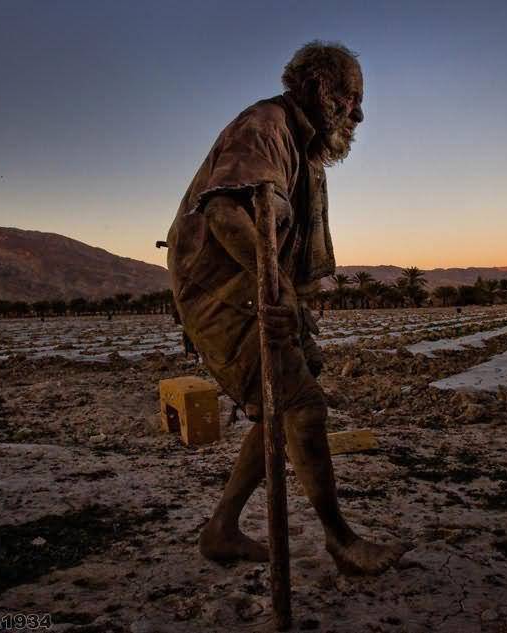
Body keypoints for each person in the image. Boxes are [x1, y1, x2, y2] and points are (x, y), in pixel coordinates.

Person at [166, 41, 408, 575]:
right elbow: (227, 213)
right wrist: (272, 286)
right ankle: (339, 539)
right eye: (352, 97)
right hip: (221, 295)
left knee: (284, 403)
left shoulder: (304, 149)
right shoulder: (266, 127)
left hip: (255, 288)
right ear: (323, 89)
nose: (359, 113)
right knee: (302, 405)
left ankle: (222, 529)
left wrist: (283, 293)